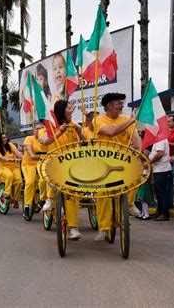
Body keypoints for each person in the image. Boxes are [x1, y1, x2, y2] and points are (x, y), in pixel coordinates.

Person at [94, 93, 142, 241]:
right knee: (102, 193)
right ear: (109, 106)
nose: (122, 105)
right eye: (118, 103)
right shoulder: (98, 119)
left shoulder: (126, 119)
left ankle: (128, 203)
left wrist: (139, 151)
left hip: (122, 160)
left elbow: (134, 136)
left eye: (122, 102)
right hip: (103, 161)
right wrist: (131, 121)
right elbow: (111, 132)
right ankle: (103, 228)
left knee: (137, 174)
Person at [39, 100, 85, 240]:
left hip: (71, 162)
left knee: (73, 193)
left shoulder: (74, 125)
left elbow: (84, 142)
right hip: (53, 159)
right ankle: (50, 198)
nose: (72, 109)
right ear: (62, 111)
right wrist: (59, 132)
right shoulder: (50, 126)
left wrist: (79, 132)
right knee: (49, 173)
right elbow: (45, 141)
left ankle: (73, 228)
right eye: (69, 108)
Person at [22, 123, 48, 218]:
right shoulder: (29, 138)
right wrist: (32, 154)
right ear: (34, 131)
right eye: (37, 129)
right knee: (30, 182)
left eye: (41, 129)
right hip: (28, 164)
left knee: (44, 179)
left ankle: (42, 199)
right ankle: (27, 206)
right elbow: (28, 147)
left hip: (41, 162)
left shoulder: (45, 139)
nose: (39, 131)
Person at [0, 133, 23, 208]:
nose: (5, 139)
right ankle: (6, 193)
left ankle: (15, 200)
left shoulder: (10, 145)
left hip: (14, 167)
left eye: (6, 137)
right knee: (10, 176)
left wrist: (23, 158)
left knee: (19, 182)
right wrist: (7, 159)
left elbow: (17, 152)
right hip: (3, 167)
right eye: (3, 138)